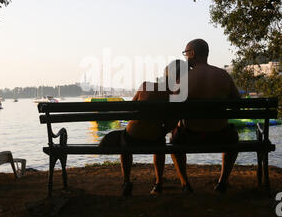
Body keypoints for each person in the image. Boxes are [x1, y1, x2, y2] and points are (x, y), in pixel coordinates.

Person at [99, 59, 187, 196]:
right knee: (161, 143)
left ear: (166, 74)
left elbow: (129, 111)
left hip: (132, 137)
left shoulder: (146, 86)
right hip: (155, 139)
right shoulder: (176, 95)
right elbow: (171, 123)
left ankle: (127, 181)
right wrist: (162, 130)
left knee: (124, 140)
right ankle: (158, 184)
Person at [172, 38, 241, 193]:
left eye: (186, 53)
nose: (185, 56)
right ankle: (222, 182)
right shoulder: (223, 75)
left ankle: (185, 184)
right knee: (234, 137)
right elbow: (238, 104)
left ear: (193, 54)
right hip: (221, 135)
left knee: (174, 138)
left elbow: (172, 108)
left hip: (190, 137)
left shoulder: (183, 79)